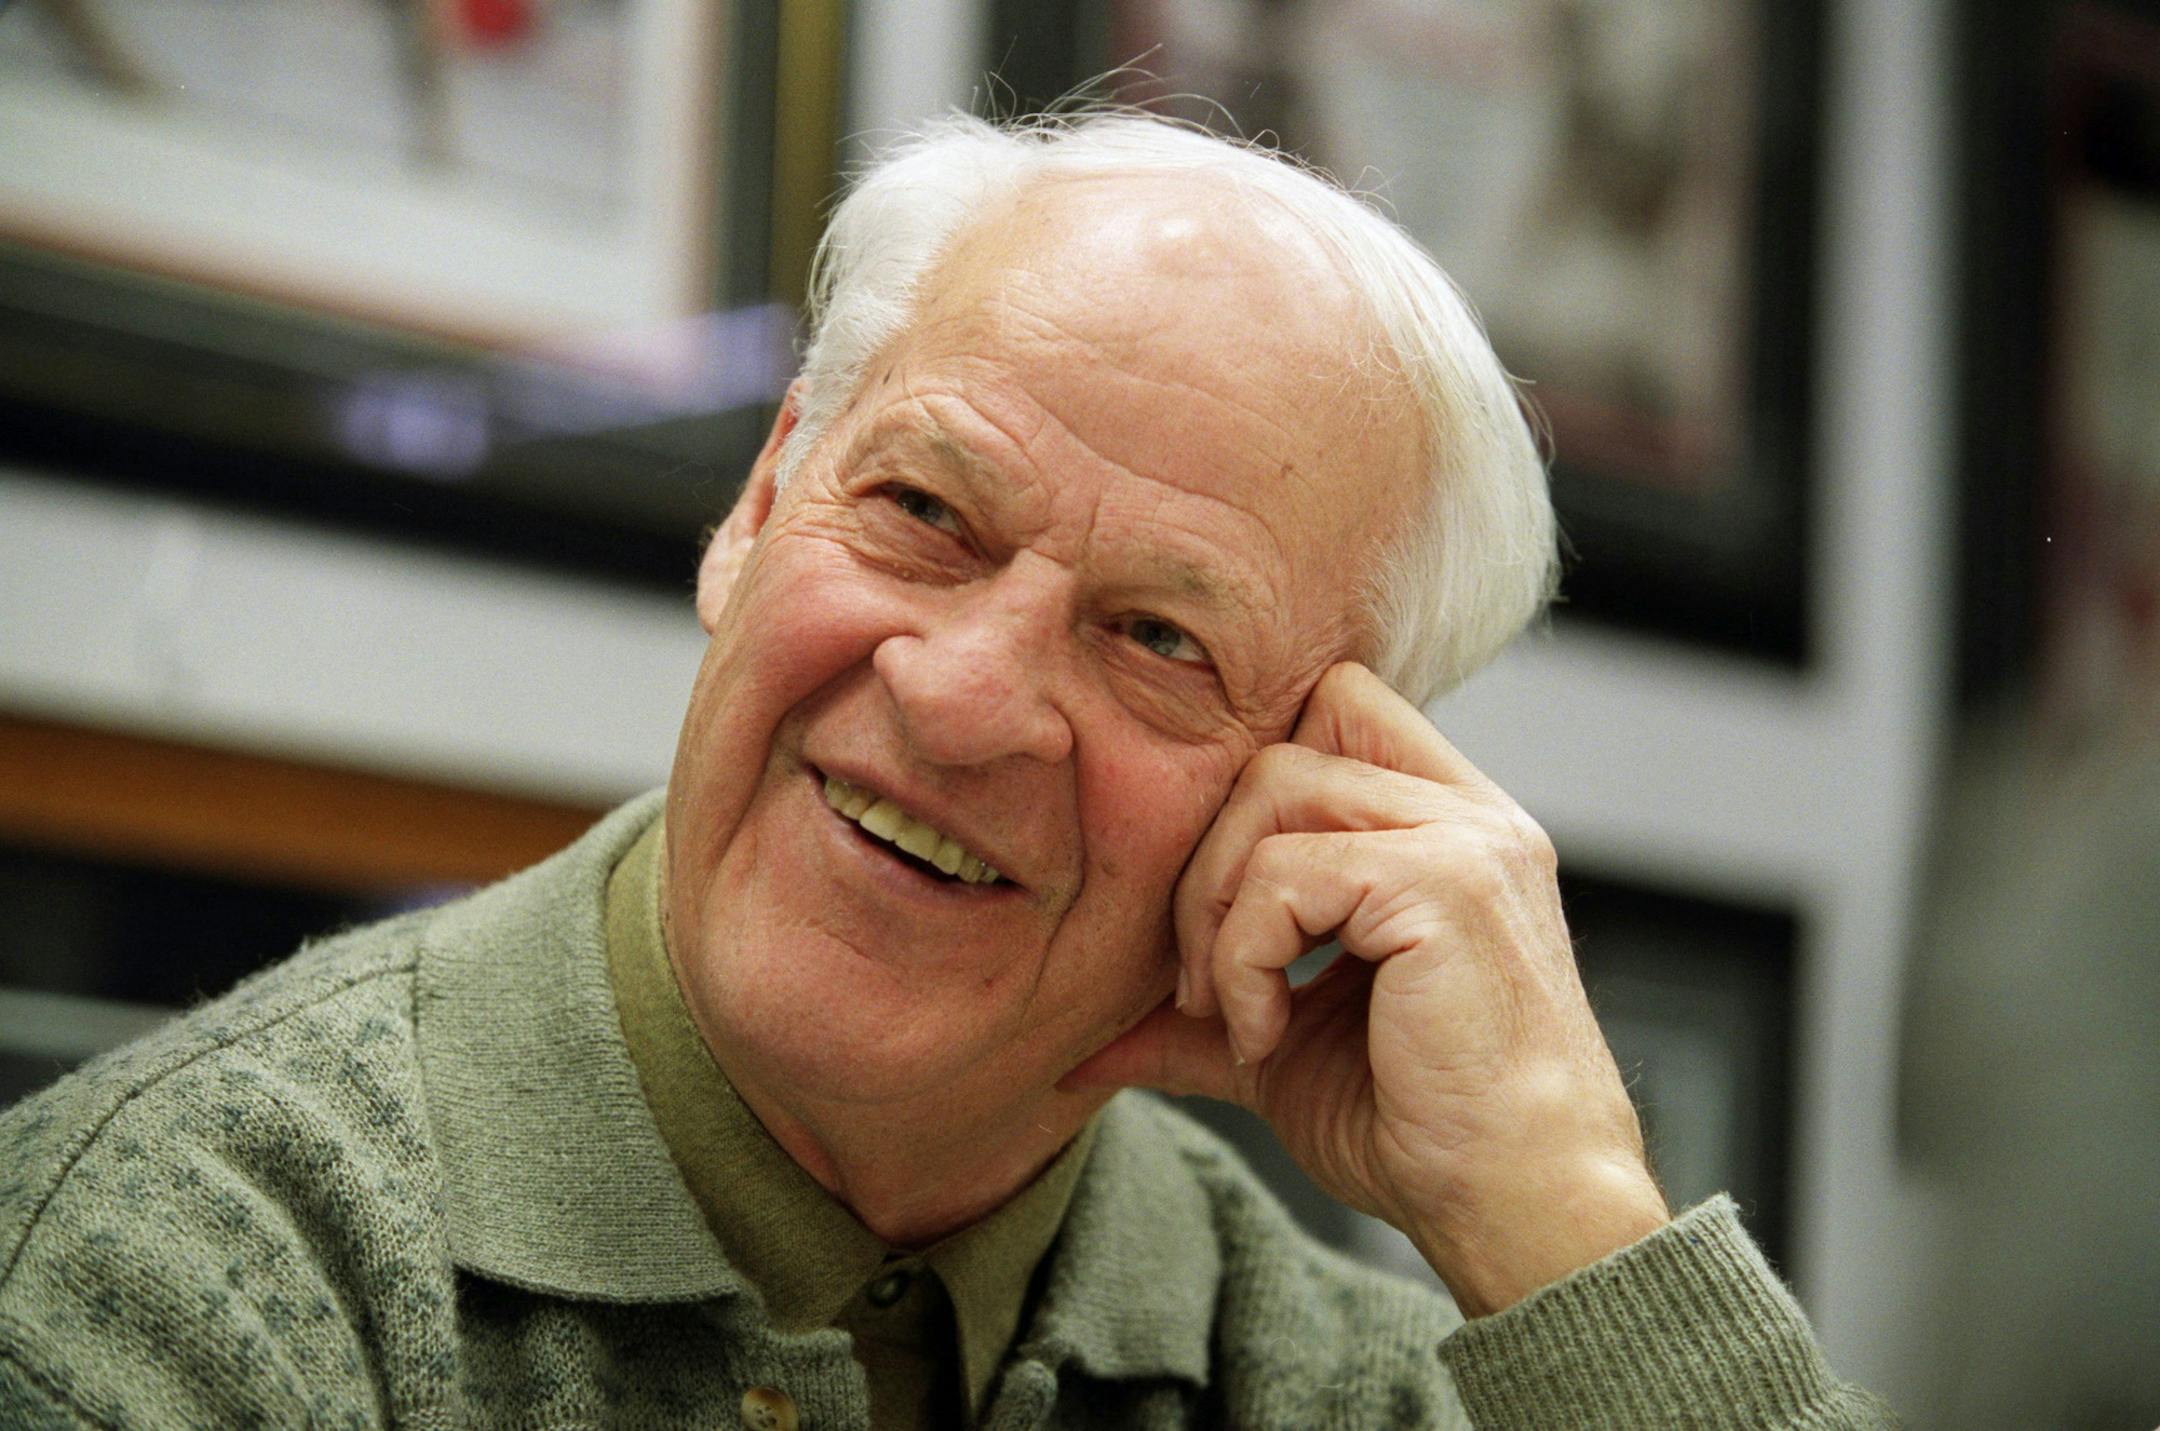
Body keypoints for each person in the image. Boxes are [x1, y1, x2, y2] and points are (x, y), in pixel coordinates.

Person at [0, 112, 1893, 1429]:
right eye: (921, 509)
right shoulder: (170, 1294)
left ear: (1324, 788)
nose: (970, 694)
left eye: (1163, 638)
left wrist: (1560, 1218)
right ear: (761, 507)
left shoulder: (1344, 1381)